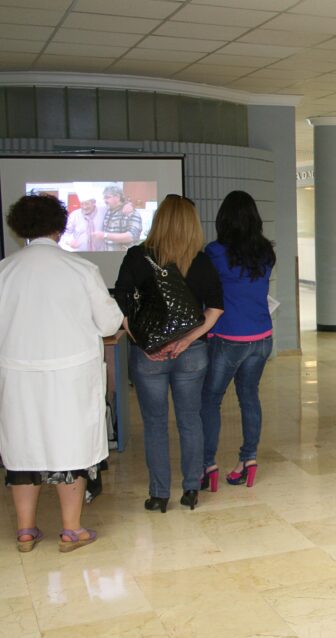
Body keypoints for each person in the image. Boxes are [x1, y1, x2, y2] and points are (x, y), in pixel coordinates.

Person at [0, 195, 123, 552]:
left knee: (23, 449)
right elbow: (109, 322)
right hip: (71, 375)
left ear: (19, 227)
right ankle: (71, 530)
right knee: (72, 447)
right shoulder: (81, 269)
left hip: (19, 376)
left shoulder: (5, 271)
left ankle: (25, 530)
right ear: (59, 226)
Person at [116, 195, 224, 513]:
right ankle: (191, 489)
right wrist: (186, 341)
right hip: (192, 354)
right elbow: (216, 308)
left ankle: (159, 494)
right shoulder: (201, 261)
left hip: (148, 357)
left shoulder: (137, 256)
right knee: (190, 420)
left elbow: (121, 305)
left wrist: (146, 343)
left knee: (155, 424)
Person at [200, 191, 276, 491]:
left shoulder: (215, 252)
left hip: (229, 336)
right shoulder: (267, 253)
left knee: (210, 400)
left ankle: (208, 464)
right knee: (249, 397)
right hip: (262, 337)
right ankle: (248, 460)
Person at [98, 184, 142, 251]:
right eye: (104, 198)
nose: (105, 200)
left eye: (107, 197)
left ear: (117, 197)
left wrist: (105, 235)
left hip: (124, 257)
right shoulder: (107, 211)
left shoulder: (131, 212)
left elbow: (132, 236)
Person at [60, 187, 105, 252]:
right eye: (82, 204)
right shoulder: (75, 215)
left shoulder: (103, 211)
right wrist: (69, 241)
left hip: (102, 253)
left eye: (87, 204)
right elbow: (65, 233)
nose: (84, 207)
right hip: (81, 254)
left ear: (94, 202)